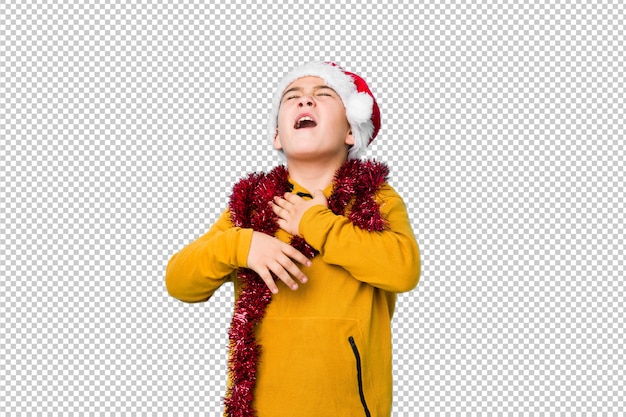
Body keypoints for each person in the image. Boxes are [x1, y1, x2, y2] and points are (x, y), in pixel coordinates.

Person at [165, 61, 420, 417]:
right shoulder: (252, 206)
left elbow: (402, 270)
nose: (305, 102)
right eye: (293, 97)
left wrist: (315, 222)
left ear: (351, 130)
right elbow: (179, 283)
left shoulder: (373, 199)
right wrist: (240, 245)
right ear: (277, 136)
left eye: (324, 95)